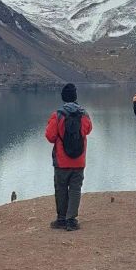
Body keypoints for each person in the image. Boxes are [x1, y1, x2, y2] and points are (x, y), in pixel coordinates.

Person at [45, 83, 92, 231]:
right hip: (79, 161)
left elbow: (50, 136)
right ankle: (71, 220)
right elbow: (88, 129)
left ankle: (61, 219)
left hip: (61, 160)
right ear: (75, 97)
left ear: (63, 98)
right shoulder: (84, 114)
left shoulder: (57, 115)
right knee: (75, 189)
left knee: (61, 189)